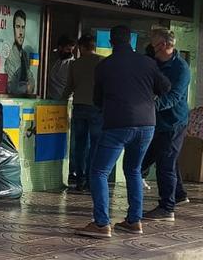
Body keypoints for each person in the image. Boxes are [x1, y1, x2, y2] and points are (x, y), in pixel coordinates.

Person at [75, 25, 170, 238]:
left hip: (117, 124)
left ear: (111, 42)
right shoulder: (148, 62)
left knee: (99, 172)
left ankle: (101, 224)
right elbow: (165, 87)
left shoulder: (104, 66)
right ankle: (134, 221)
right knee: (134, 170)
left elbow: (97, 100)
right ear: (132, 42)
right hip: (147, 124)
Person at [142, 27, 190, 221]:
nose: (151, 46)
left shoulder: (181, 68)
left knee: (166, 163)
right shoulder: (153, 63)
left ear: (162, 45)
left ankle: (167, 207)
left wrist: (147, 107)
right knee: (150, 160)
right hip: (156, 123)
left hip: (173, 123)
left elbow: (173, 97)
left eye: (153, 43)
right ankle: (178, 194)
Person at [63, 34, 103, 192]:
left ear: (82, 47)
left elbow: (69, 87)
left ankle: (80, 178)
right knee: (95, 145)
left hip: (79, 106)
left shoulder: (75, 64)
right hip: (97, 108)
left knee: (79, 145)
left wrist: (60, 100)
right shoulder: (102, 62)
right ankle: (92, 180)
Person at [4, 10, 35, 96]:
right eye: (18, 27)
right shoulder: (10, 55)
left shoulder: (24, 54)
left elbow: (31, 78)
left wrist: (30, 85)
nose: (21, 32)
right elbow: (10, 87)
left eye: (23, 27)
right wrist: (26, 88)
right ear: (13, 29)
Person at [46, 36, 77, 100]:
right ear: (60, 48)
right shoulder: (53, 61)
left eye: (72, 50)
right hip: (50, 99)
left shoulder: (73, 64)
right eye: (68, 49)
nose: (70, 53)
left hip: (66, 100)